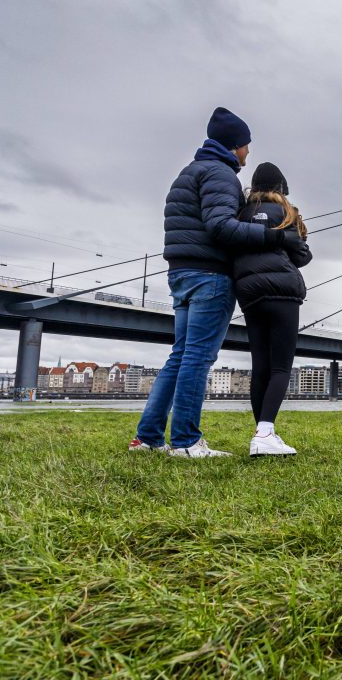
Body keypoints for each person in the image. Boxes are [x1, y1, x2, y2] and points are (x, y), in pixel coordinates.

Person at [130, 107, 289, 458]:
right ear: (235, 145)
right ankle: (186, 441)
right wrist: (273, 235)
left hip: (181, 271)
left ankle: (148, 437)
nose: (248, 151)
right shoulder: (220, 174)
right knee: (198, 357)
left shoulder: (190, 171)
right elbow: (220, 226)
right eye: (246, 144)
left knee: (180, 355)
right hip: (210, 275)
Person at [233, 162, 312, 456]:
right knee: (280, 367)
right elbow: (302, 256)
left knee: (261, 367)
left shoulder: (240, 214)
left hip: (249, 293)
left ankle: (262, 433)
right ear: (280, 189)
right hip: (282, 293)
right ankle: (265, 434)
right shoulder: (286, 213)